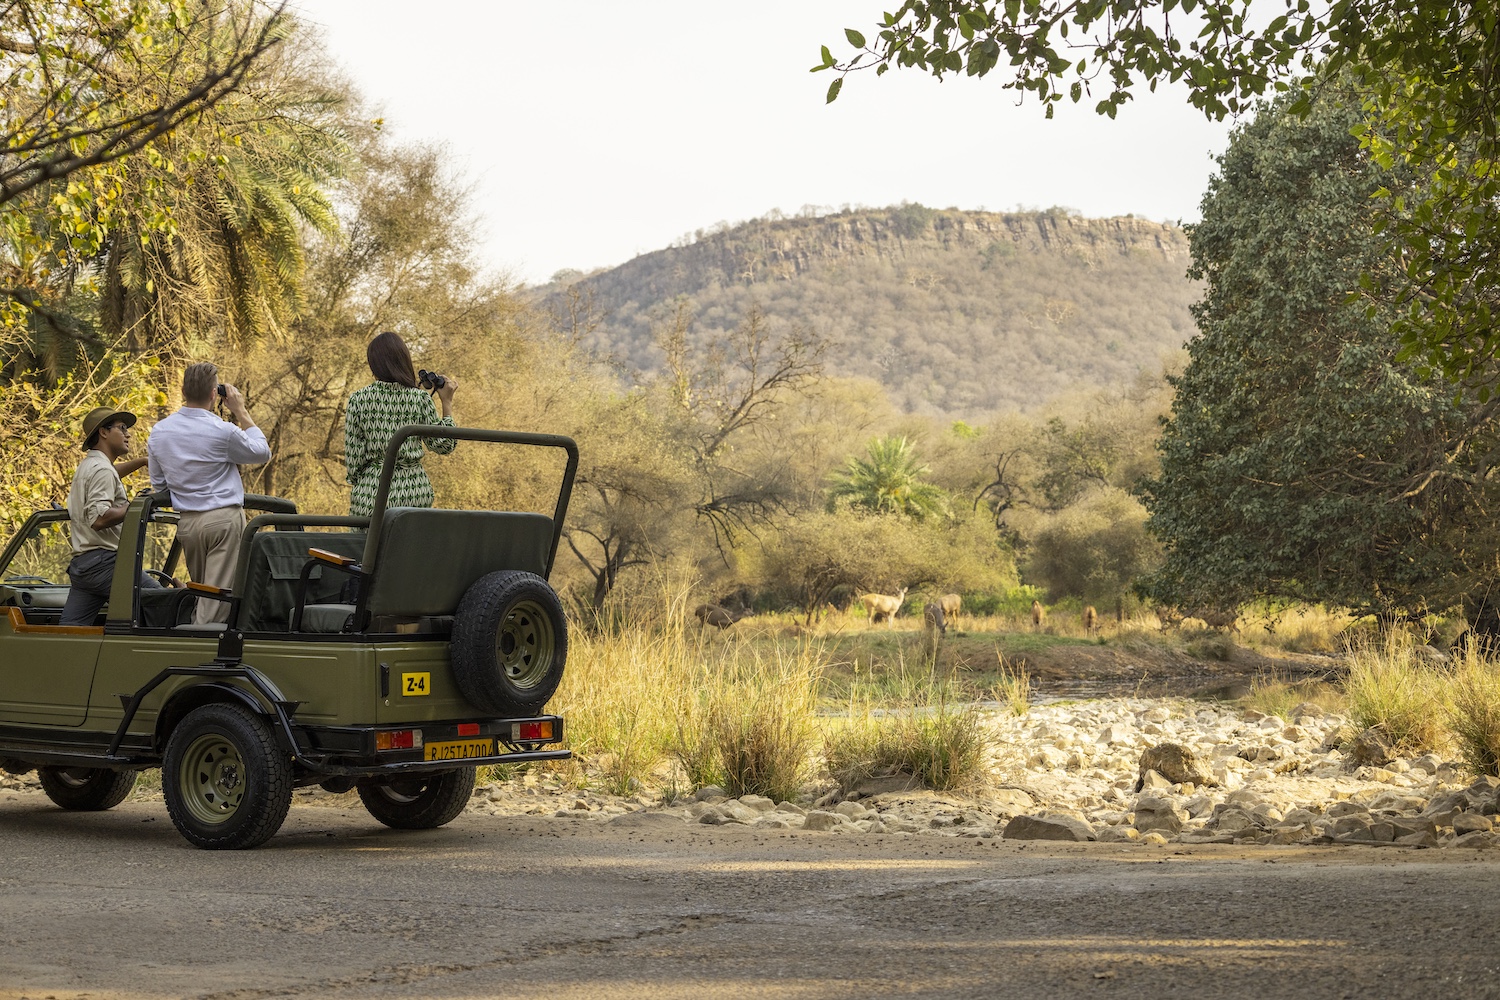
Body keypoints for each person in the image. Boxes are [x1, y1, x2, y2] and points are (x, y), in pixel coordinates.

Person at [147, 362, 271, 625]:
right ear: (215, 394)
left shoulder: (159, 433)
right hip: (223, 521)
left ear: (182, 391)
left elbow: (160, 485)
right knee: (216, 603)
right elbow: (262, 452)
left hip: (188, 524)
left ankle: (195, 641)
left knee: (204, 594)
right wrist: (240, 410)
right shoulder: (222, 431)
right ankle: (201, 654)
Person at [60, 407, 163, 626]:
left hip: (84, 567)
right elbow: (99, 519)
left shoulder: (89, 466)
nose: (128, 434)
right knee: (164, 603)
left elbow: (109, 475)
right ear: (103, 433)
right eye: (122, 428)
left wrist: (142, 461)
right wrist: (136, 506)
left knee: (69, 633)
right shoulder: (102, 471)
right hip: (106, 565)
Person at [344, 331, 458, 518]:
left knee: (363, 545)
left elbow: (354, 461)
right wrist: (447, 402)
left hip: (373, 495)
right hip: (414, 494)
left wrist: (365, 482)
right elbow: (444, 445)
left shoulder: (358, 399)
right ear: (404, 360)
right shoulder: (420, 399)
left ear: (374, 365)